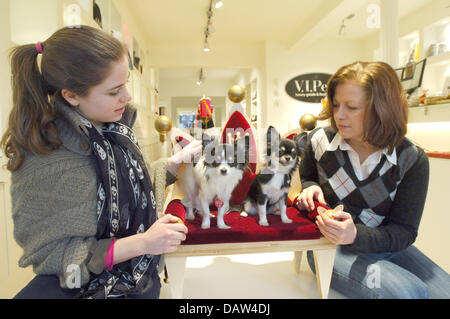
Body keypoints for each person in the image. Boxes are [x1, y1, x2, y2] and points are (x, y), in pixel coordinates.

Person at [1, 25, 201, 299]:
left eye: (126, 84)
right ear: (71, 95)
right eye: (113, 91)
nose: (127, 97)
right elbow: (54, 255)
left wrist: (172, 163)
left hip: (138, 282)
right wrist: (143, 243)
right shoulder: (47, 157)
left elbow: (127, 188)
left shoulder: (117, 130)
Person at [295, 61, 450, 299]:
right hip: (330, 248)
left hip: (385, 244)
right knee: (411, 293)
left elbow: (404, 232)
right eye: (335, 105)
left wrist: (356, 234)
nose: (339, 115)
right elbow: (307, 176)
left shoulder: (412, 159)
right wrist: (311, 187)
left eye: (352, 107)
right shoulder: (318, 141)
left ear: (382, 108)